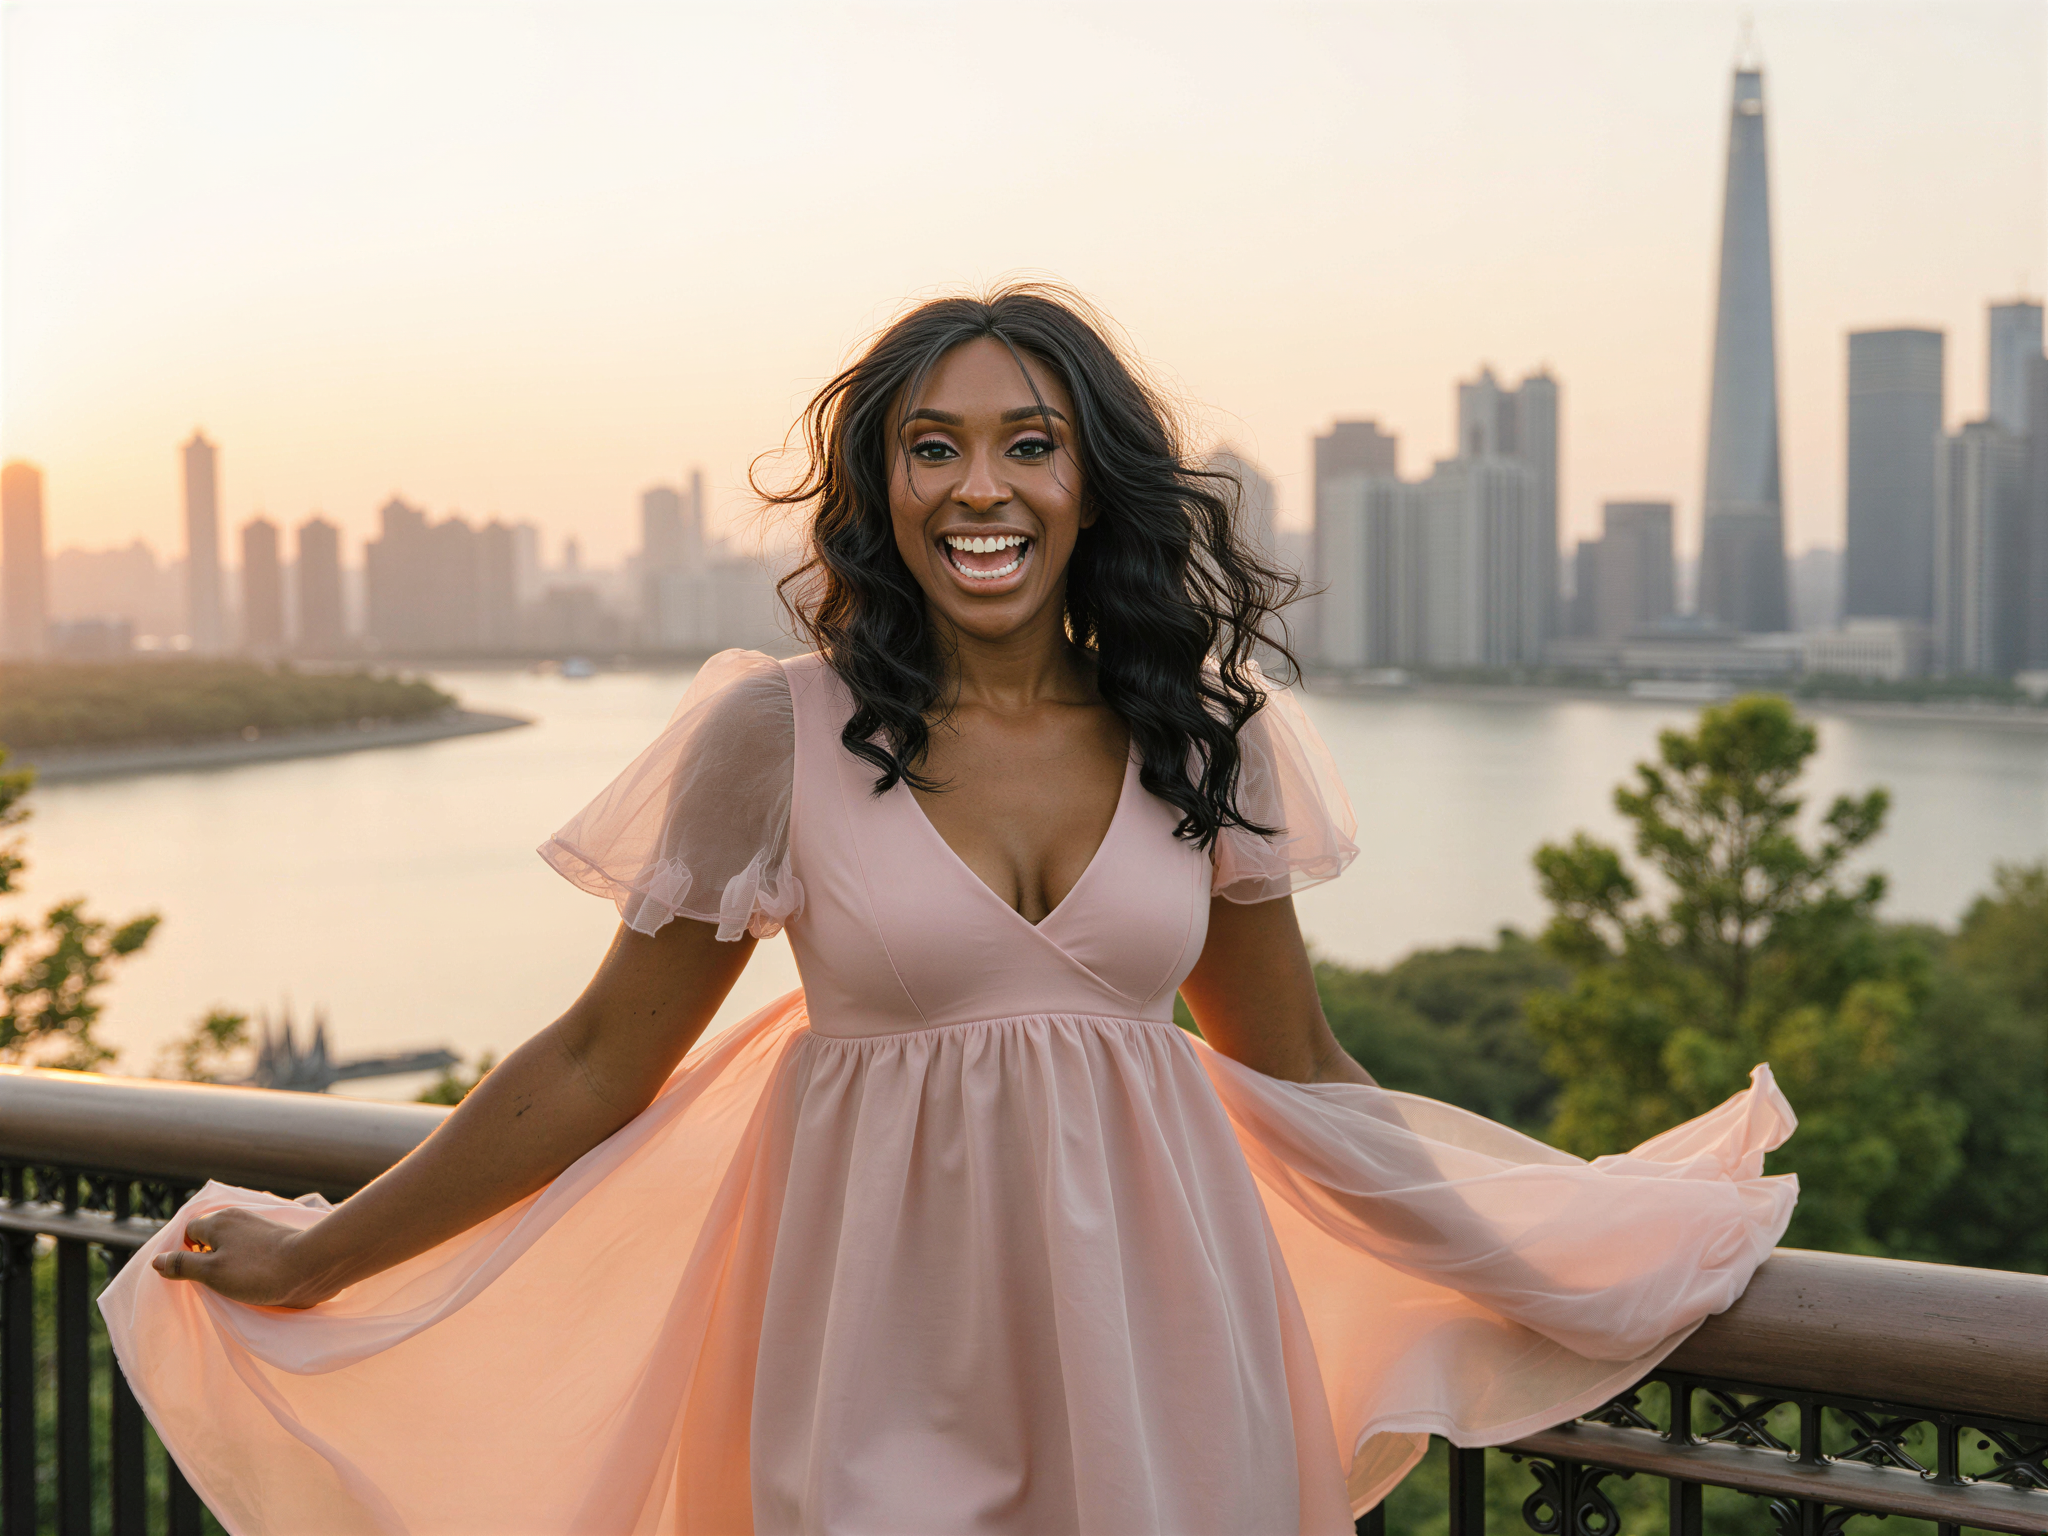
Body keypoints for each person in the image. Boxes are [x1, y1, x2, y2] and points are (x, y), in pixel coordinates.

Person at [102, 284, 1797, 1536]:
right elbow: (595, 1061)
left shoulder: (1210, 740)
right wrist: (320, 1256)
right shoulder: (774, 735)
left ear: (1090, 482)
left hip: (1170, 1368)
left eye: (1026, 445)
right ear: (882, 490)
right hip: (868, 1370)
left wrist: (1550, 1257)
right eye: (934, 448)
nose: (980, 488)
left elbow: (1303, 1073)